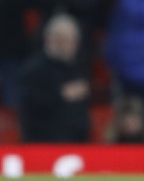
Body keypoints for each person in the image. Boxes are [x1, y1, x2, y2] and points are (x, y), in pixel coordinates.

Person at [18, 13, 91, 143]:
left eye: (71, 40)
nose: (67, 45)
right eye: (62, 39)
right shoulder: (35, 69)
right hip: (45, 144)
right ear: (49, 39)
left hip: (77, 144)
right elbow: (31, 105)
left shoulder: (77, 68)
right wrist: (61, 94)